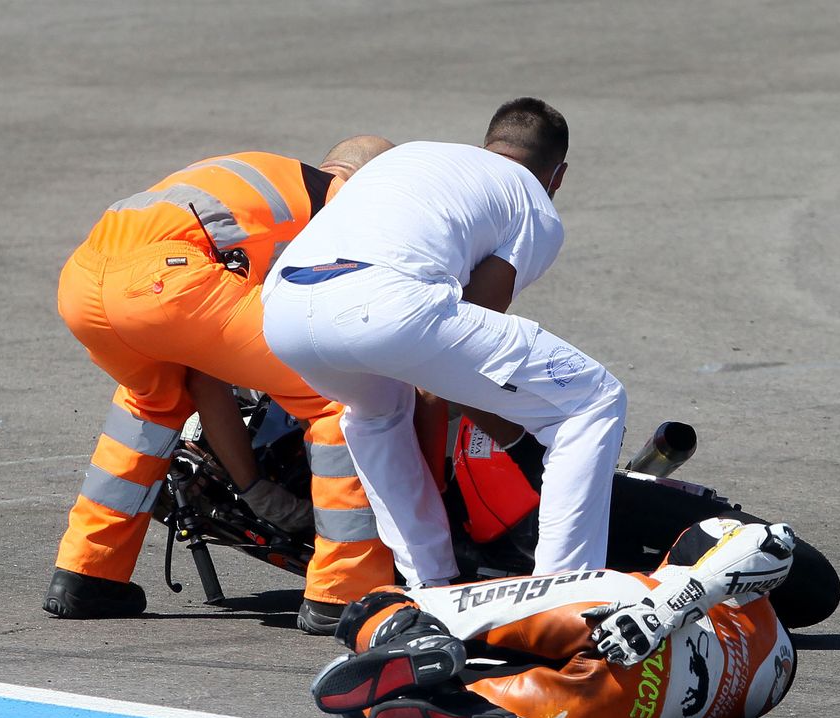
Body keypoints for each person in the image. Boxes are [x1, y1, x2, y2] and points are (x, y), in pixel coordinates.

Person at [261, 98, 627, 593]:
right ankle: (561, 596)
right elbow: (475, 324)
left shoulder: (411, 156)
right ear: (556, 176)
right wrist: (518, 436)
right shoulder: (532, 200)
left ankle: (429, 585)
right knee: (591, 400)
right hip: (383, 305)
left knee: (376, 411)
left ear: (487, 145)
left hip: (284, 309)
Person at [47, 136, 399, 635]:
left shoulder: (265, 178)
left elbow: (205, 370)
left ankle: (88, 574)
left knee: (150, 407)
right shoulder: (344, 201)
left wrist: (251, 485)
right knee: (343, 397)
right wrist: (256, 488)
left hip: (85, 281)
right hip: (166, 283)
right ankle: (342, 592)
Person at [309, 518, 799, 718]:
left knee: (380, 603)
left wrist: (661, 610)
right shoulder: (768, 682)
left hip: (621, 614)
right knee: (467, 697)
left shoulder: (713, 563)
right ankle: (437, 709)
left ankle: (410, 640)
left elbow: (770, 541)